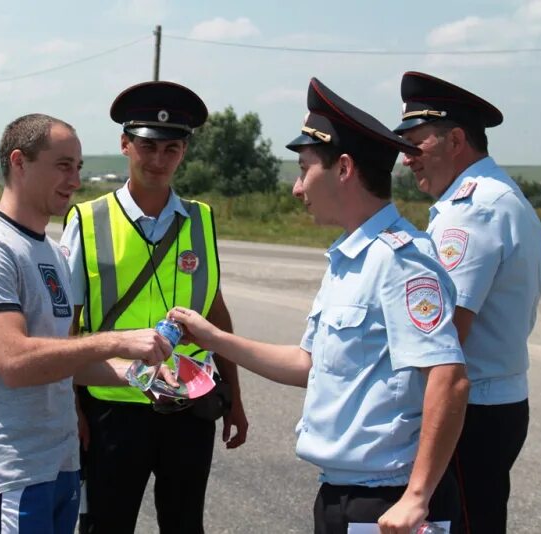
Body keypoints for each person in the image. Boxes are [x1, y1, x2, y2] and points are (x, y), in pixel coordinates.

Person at [167, 78, 470, 534]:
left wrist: (416, 498)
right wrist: (215, 340)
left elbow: (448, 379)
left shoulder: (401, 260)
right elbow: (305, 364)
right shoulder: (349, 258)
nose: (296, 187)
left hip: (388, 500)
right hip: (342, 494)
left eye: (304, 169)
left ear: (343, 168)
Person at [0, 113, 174, 534]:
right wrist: (115, 342)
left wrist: (143, 378)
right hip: (10, 473)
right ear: (20, 162)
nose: (75, 180)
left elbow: (61, 362)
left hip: (57, 464)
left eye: (79, 167)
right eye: (63, 165)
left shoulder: (50, 252)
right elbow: (14, 362)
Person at [60, 81, 249, 534]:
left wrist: (236, 399)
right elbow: (67, 324)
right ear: (126, 145)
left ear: (183, 152)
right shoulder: (87, 220)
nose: (159, 160)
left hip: (189, 405)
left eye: (172, 149)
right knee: (106, 525)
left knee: (185, 525)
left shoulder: (200, 219)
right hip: (111, 407)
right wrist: (71, 406)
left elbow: (216, 314)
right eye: (147, 147)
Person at [393, 71, 541, 533]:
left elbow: (445, 332)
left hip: (470, 411)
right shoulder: (498, 196)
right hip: (491, 402)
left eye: (415, 144)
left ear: (455, 139)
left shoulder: (474, 210)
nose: (405, 160)